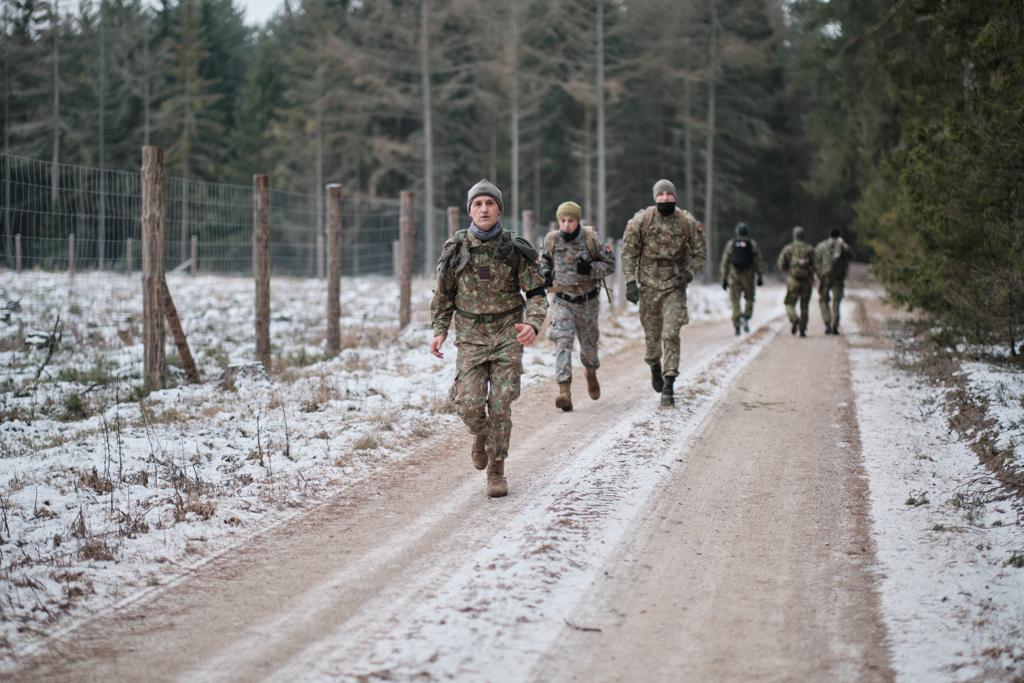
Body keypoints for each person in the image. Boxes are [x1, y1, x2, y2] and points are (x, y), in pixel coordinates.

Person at [430, 179, 548, 498]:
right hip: (470, 337)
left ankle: (497, 470)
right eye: (478, 204)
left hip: (508, 333)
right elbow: (443, 295)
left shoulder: (514, 249)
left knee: (501, 403)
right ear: (470, 211)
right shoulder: (456, 249)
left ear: (499, 210)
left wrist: (533, 324)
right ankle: (481, 436)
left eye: (490, 203)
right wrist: (440, 330)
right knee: (469, 403)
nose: (484, 209)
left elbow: (537, 294)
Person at [621, 179, 707, 407]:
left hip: (674, 286)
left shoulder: (686, 222)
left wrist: (688, 274)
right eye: (661, 195)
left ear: (675, 197)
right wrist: (630, 282)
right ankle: (654, 365)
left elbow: (700, 253)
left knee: (670, 333)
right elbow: (628, 253)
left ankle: (669, 382)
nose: (665, 198)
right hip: (648, 287)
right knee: (652, 337)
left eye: (669, 194)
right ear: (655, 197)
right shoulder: (642, 220)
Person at [539, 201, 615, 412]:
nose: (566, 225)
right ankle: (564, 392)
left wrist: (590, 268)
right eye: (562, 220)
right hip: (562, 301)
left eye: (570, 220)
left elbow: (610, 265)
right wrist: (545, 274)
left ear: (578, 221)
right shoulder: (551, 239)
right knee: (562, 342)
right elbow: (544, 261)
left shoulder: (591, 238)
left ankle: (591, 372)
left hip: (587, 302)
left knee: (589, 347)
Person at [718, 221, 764, 335]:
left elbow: (725, 261)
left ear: (737, 232)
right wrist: (760, 276)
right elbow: (758, 261)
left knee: (735, 300)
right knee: (749, 298)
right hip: (748, 276)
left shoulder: (731, 243)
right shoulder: (752, 243)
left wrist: (724, 278)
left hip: (734, 276)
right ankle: (745, 317)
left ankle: (737, 324)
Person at [814, 228, 856, 334]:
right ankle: (835, 325)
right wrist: (844, 244)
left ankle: (827, 323)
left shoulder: (821, 245)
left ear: (829, 235)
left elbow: (815, 260)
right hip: (838, 279)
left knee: (823, 300)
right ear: (839, 236)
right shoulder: (842, 246)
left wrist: (818, 274)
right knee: (836, 302)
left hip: (824, 278)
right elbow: (852, 256)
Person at [776, 225, 816, 337]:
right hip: (807, 281)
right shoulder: (809, 249)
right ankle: (802, 329)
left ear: (794, 235)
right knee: (804, 305)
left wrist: (788, 271)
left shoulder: (788, 248)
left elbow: (781, 264)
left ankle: (794, 318)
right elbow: (816, 264)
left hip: (793, 280)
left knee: (789, 303)